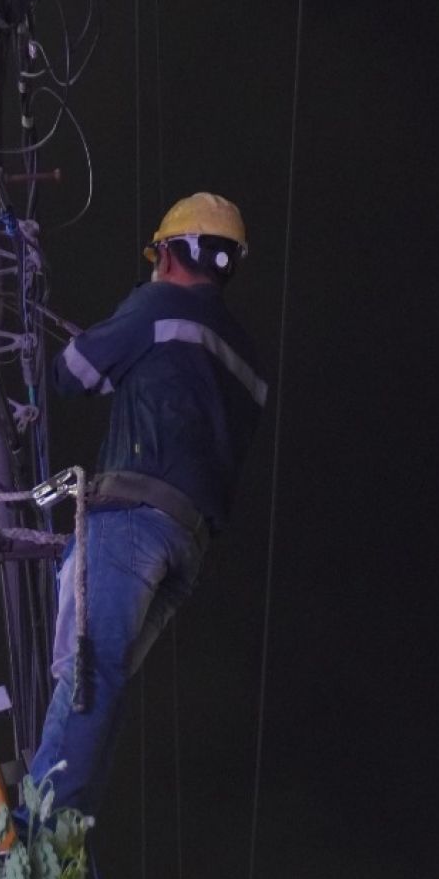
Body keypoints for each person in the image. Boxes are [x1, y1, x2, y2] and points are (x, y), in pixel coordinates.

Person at [28, 193, 266, 816]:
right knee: (101, 683)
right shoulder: (246, 356)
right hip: (188, 543)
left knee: (85, 672)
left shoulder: (157, 304)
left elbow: (71, 373)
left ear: (170, 251)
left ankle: (40, 821)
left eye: (159, 254)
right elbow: (177, 395)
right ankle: (63, 821)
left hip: (132, 520)